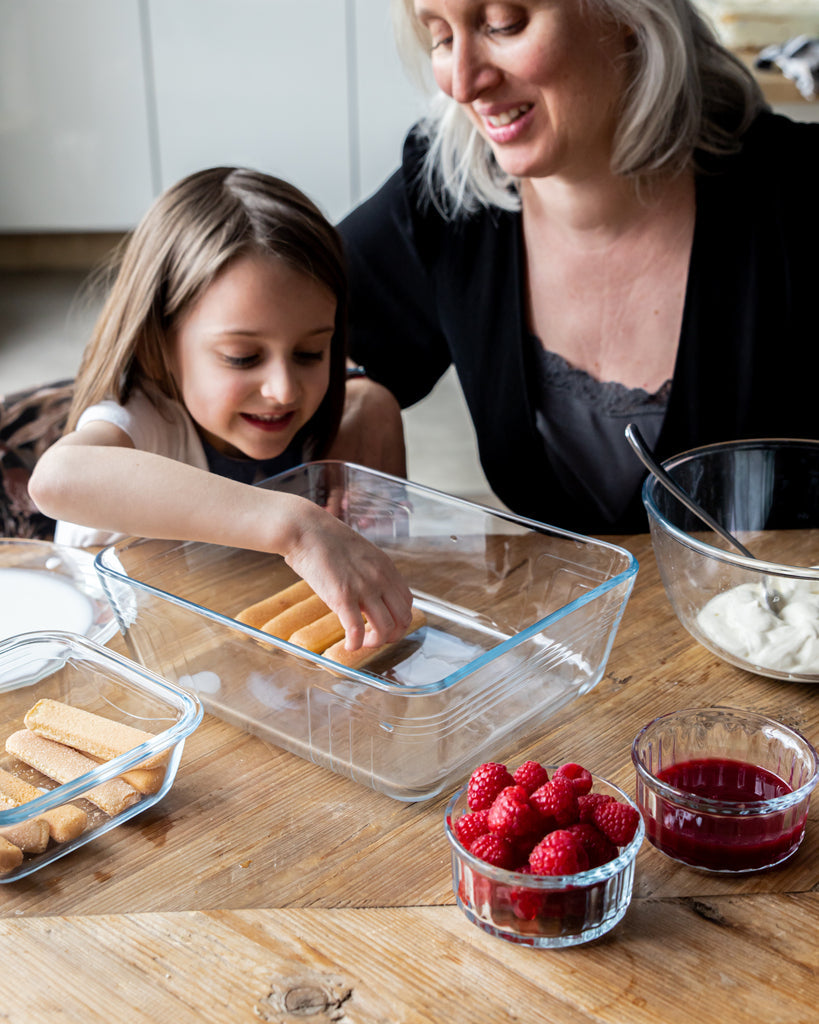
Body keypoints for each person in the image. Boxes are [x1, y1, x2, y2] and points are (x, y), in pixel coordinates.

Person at [338, 0, 819, 534]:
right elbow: (263, 320)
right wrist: (357, 383)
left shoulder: (796, 197)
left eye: (503, 25)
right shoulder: (447, 192)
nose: (463, 82)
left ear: (630, 17)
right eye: (442, 38)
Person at [29, 167, 412, 651]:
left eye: (310, 353)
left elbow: (386, 566)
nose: (283, 390)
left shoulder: (328, 415)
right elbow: (58, 478)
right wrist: (294, 526)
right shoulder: (143, 418)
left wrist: (367, 398)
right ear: (161, 343)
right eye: (242, 358)